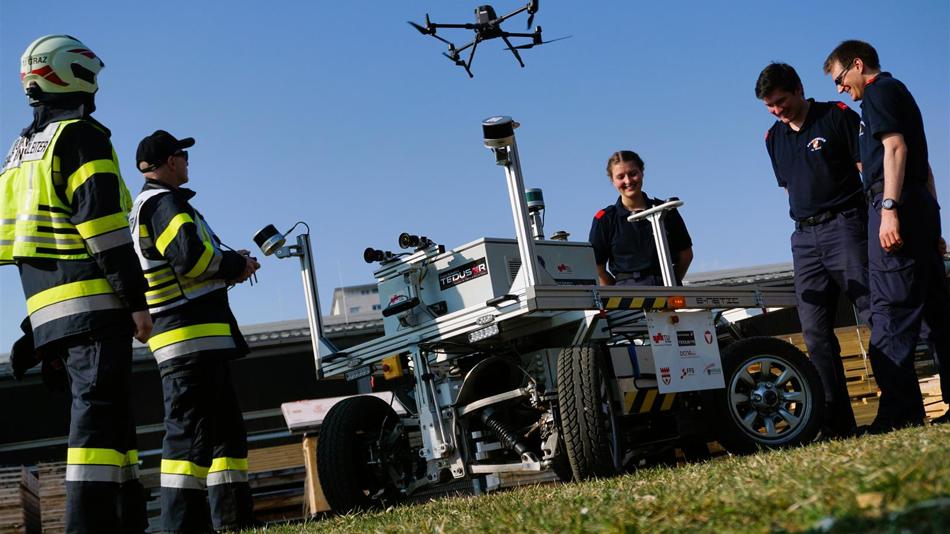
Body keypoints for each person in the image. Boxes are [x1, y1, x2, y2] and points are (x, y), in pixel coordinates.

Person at [0, 35, 150, 533]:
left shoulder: (20, 150)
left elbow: (30, 241)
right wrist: (136, 300)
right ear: (73, 74)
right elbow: (103, 231)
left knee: (113, 421)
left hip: (48, 310)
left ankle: (129, 523)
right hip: (92, 301)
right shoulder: (81, 136)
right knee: (97, 415)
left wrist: (33, 326)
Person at [129, 130, 259, 532]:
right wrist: (237, 266)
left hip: (199, 343)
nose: (187, 161)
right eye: (183, 155)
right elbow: (192, 257)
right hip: (188, 342)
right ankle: (181, 527)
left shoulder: (154, 205)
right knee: (188, 441)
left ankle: (233, 523)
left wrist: (228, 265)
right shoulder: (163, 204)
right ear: (171, 161)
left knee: (225, 440)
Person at [824, 40, 950, 431]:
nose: (841, 88)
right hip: (920, 208)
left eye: (841, 78)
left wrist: (889, 211)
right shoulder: (900, 92)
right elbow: (924, 166)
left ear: (858, 65)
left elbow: (894, 149)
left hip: (894, 202)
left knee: (891, 312)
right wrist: (934, 226)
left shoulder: (877, 93)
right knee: (938, 317)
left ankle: (901, 413)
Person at [755, 62, 870, 438]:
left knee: (873, 312)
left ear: (799, 89)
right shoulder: (772, 138)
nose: (777, 110)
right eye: (770, 105)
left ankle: (901, 406)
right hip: (804, 239)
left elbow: (866, 169)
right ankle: (837, 423)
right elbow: (789, 188)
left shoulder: (837, 117)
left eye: (781, 101)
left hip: (846, 226)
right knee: (815, 333)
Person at [588, 150, 693, 287]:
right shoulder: (604, 220)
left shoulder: (666, 210)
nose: (628, 181)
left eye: (633, 174)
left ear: (642, 172)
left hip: (669, 289)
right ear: (612, 181)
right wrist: (619, 294)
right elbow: (597, 268)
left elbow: (686, 255)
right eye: (620, 177)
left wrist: (673, 281)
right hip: (629, 297)